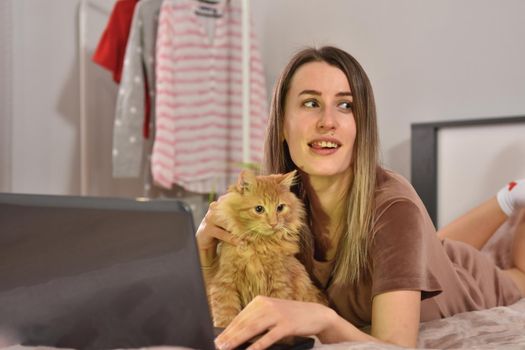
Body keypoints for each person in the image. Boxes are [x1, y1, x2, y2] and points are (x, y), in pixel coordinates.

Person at [196, 46, 525, 349]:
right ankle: (507, 198)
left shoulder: (394, 208)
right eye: (311, 103)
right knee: (435, 246)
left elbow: (396, 345)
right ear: (282, 124)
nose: (327, 121)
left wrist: (324, 320)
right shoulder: (280, 203)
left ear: (361, 125)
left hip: (470, 281)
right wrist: (201, 248)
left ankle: (514, 198)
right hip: (433, 250)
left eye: (345, 105)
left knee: (516, 276)